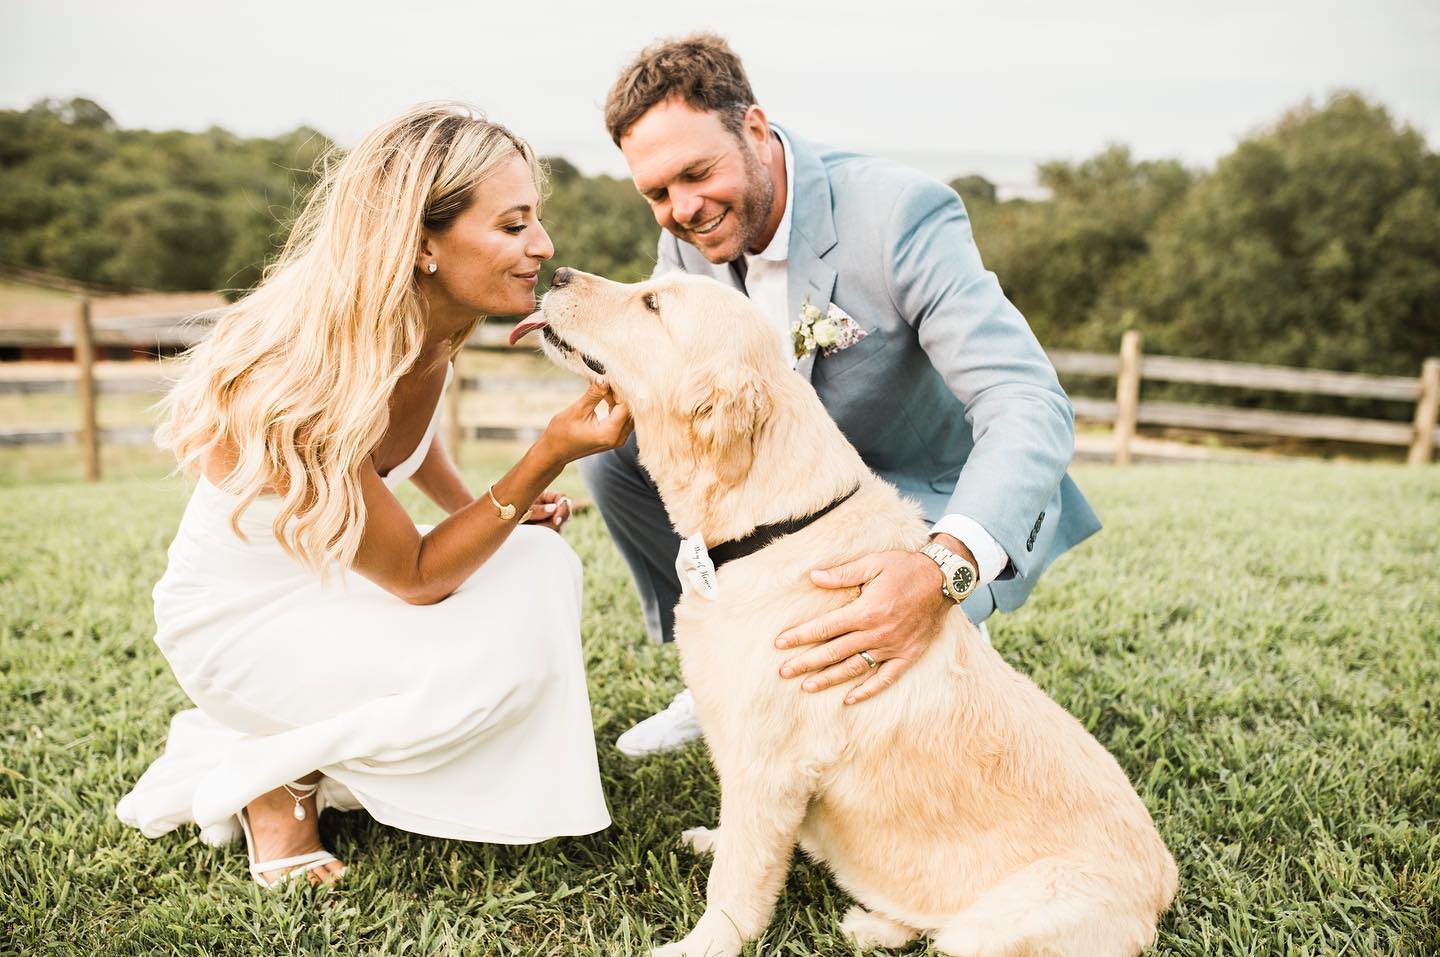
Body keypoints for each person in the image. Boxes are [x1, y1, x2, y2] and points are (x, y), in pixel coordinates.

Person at [116, 102, 632, 887]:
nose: (543, 245)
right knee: (495, 626)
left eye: (536, 221)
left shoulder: (427, 331)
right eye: (513, 225)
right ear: (423, 243)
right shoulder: (298, 381)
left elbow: (414, 451)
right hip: (244, 627)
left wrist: (498, 512)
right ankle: (272, 766)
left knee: (537, 564)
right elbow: (421, 575)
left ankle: (311, 746)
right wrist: (547, 455)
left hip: (333, 588)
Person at [581, 35, 1102, 757]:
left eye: (696, 174)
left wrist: (939, 567)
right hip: (789, 491)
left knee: (908, 721)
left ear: (755, 130)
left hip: (915, 493)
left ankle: (942, 616)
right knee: (615, 461)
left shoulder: (898, 216)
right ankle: (722, 671)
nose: (684, 210)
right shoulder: (686, 239)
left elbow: (1024, 400)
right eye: (657, 193)